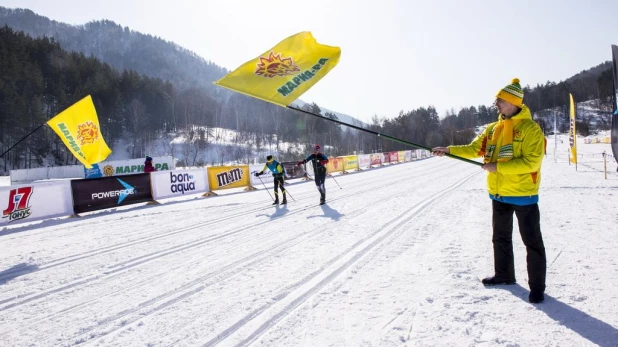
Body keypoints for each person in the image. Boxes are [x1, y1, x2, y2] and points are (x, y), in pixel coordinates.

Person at [432, 78, 547, 304]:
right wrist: (448, 150)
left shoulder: (530, 129)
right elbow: (474, 148)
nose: (496, 104)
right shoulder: (493, 128)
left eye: (500, 101)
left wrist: (497, 167)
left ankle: (537, 288)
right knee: (500, 237)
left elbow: (532, 162)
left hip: (523, 195)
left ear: (514, 102)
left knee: (531, 241)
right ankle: (504, 275)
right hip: (499, 194)